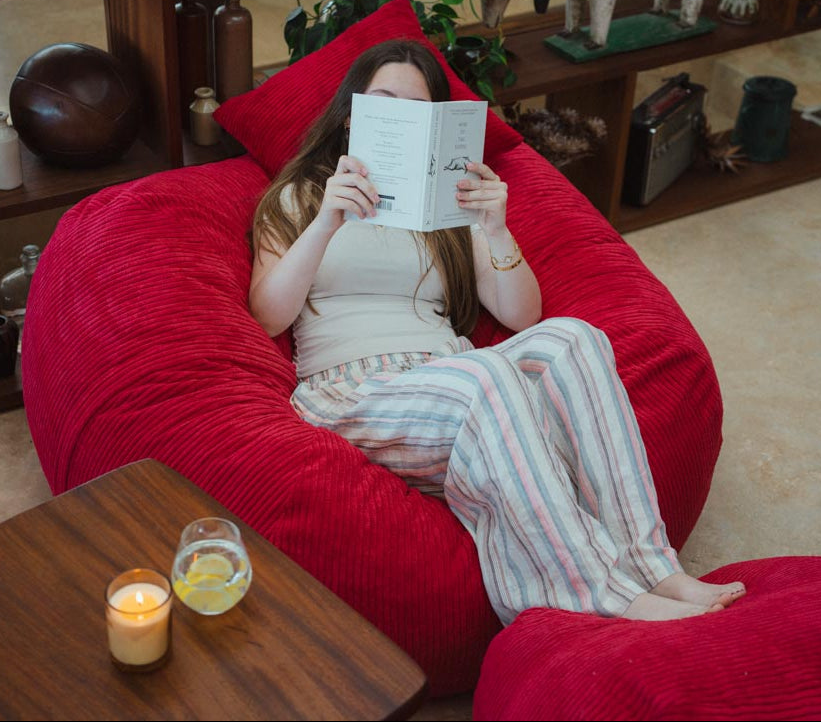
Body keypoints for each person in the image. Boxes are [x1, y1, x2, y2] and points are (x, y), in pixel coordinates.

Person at [248, 39, 746, 625]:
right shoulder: (302, 194)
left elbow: (522, 316)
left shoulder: (442, 207)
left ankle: (654, 564)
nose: (402, 118)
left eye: (418, 109)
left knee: (575, 338)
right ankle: (604, 595)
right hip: (354, 389)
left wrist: (494, 226)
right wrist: (327, 220)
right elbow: (268, 315)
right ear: (354, 112)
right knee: (484, 374)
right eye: (385, 102)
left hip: (447, 374)